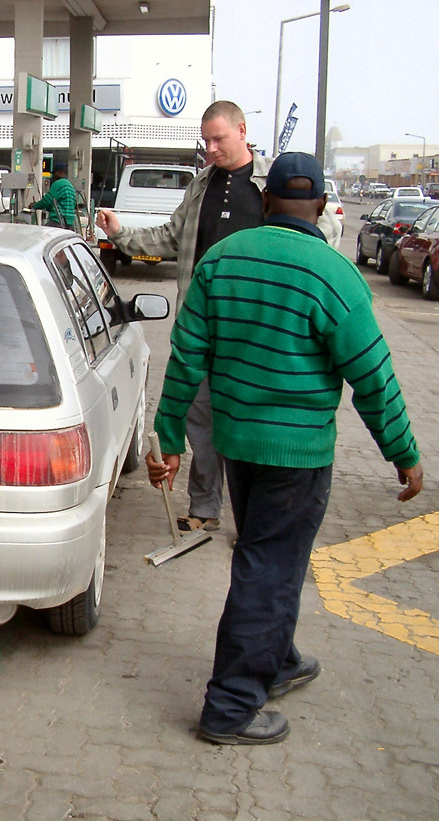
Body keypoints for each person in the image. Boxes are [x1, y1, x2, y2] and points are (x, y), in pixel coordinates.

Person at [148, 152, 423, 745]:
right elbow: (373, 377)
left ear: (265, 200)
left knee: (268, 558)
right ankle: (230, 707)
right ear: (321, 207)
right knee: (268, 568)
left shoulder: (221, 262)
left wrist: (169, 439)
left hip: (237, 447)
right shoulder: (334, 275)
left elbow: (185, 359)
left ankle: (279, 658)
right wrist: (403, 452)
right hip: (298, 459)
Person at [97, 101, 340, 534]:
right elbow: (170, 238)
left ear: (243, 131)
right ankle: (205, 507)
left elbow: (317, 237)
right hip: (204, 325)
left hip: (258, 332)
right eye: (205, 140)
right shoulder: (200, 186)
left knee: (251, 423)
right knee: (201, 418)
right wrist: (120, 234)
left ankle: (255, 519)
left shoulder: (273, 186)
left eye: (219, 139)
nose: (210, 148)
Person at [29, 162, 81, 229]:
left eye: (54, 174)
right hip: (69, 223)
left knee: (42, 235)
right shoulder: (70, 185)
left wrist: (34, 205)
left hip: (58, 221)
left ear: (59, 172)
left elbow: (46, 202)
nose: (53, 176)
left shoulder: (58, 184)